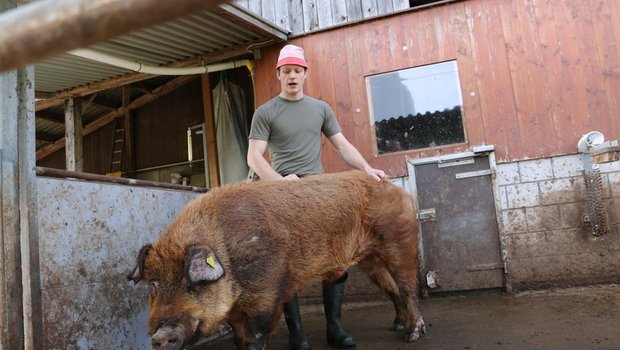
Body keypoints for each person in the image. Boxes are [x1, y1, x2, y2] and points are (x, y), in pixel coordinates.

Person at [247, 44, 386, 350]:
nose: (292, 76)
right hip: (282, 192)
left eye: (297, 70)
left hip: (318, 194)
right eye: (287, 71)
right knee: (287, 264)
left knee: (336, 259)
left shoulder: (320, 109)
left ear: (305, 73)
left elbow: (342, 144)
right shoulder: (266, 112)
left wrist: (366, 167)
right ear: (279, 75)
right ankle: (297, 334)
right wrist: (281, 183)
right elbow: (254, 158)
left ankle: (334, 328)